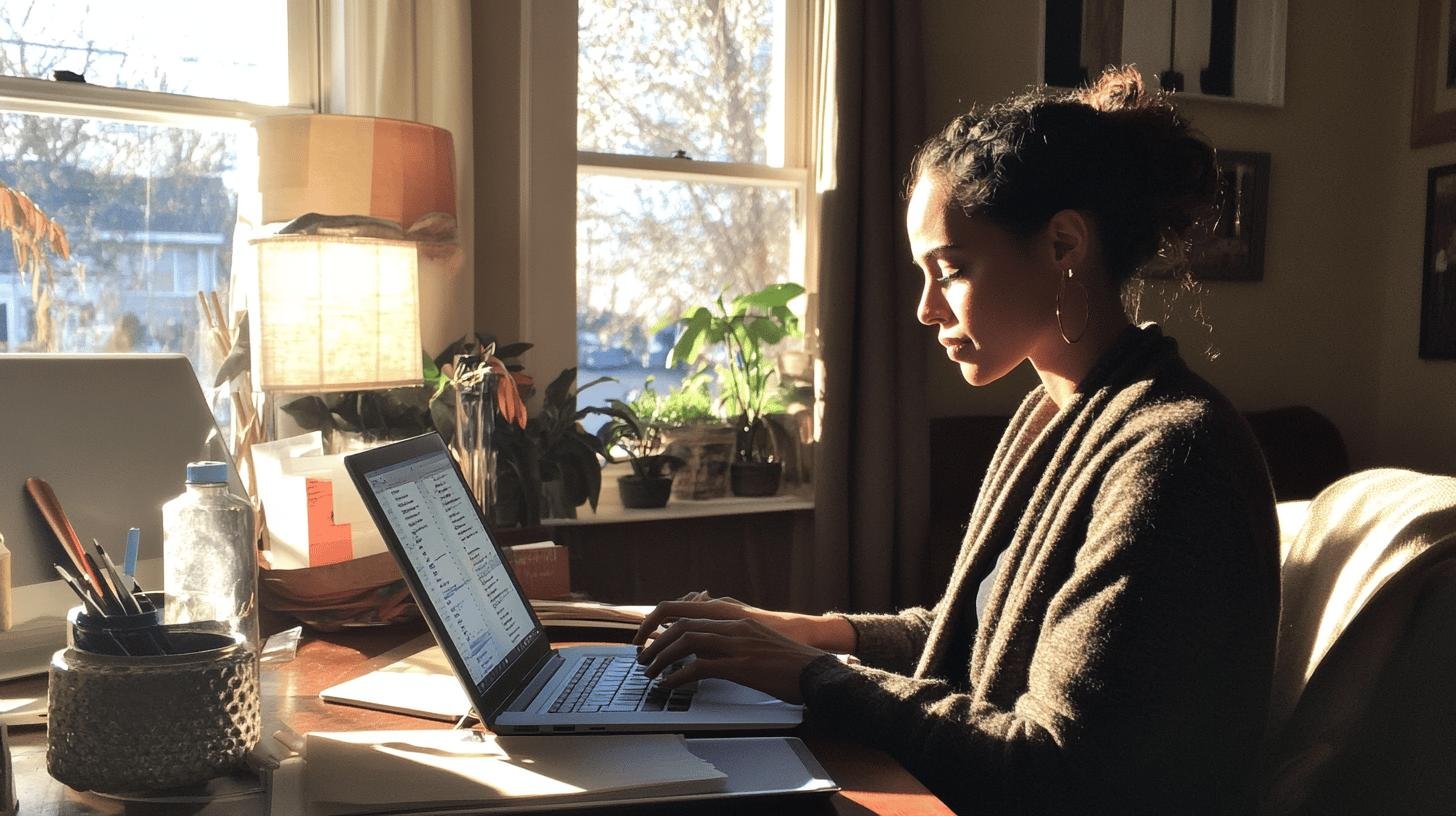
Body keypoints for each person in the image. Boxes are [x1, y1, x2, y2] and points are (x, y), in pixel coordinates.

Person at [633, 66, 1280, 814]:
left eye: (952, 270)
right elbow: (973, 630)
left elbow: (1058, 766)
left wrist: (812, 673)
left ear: (1064, 243)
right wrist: (797, 633)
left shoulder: (1171, 454)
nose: (925, 309)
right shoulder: (1052, 413)